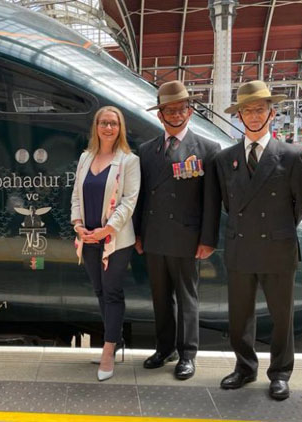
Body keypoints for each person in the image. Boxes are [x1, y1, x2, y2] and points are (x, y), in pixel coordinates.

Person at [213, 80, 302, 400]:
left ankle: (280, 373)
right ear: (239, 115)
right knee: (239, 315)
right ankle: (244, 367)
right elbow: (228, 203)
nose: (254, 115)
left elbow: (301, 203)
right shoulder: (225, 158)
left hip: (278, 246)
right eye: (247, 110)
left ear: (272, 113)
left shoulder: (292, 155)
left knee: (282, 316)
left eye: (260, 109)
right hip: (241, 245)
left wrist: (278, 228)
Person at [133, 81, 221, 380]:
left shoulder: (207, 149)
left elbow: (212, 201)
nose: (176, 115)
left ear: (190, 111)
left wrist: (208, 239)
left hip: (188, 238)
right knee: (160, 297)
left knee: (187, 298)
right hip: (155, 235)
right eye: (169, 111)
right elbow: (141, 196)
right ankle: (165, 348)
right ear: (160, 115)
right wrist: (138, 234)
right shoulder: (147, 150)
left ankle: (187, 354)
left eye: (181, 109)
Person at [71, 106, 140, 382]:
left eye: (114, 123)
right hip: (88, 238)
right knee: (99, 290)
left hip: (115, 240)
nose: (108, 128)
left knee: (112, 292)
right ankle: (115, 338)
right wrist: (78, 225)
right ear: (96, 126)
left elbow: (129, 201)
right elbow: (76, 195)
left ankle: (108, 349)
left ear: (120, 128)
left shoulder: (129, 161)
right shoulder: (85, 158)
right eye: (103, 123)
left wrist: (107, 230)